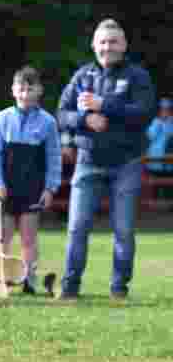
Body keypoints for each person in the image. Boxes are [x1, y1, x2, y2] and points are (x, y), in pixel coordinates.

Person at [56, 19, 155, 301]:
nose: (107, 47)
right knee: (77, 227)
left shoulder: (138, 77)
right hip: (87, 162)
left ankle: (118, 289)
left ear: (123, 46)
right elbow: (61, 114)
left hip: (127, 163)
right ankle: (70, 288)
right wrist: (85, 119)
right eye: (102, 42)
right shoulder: (81, 77)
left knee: (123, 230)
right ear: (94, 45)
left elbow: (144, 112)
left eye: (113, 42)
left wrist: (104, 105)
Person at [0, 66, 62, 295]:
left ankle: (29, 279)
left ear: (39, 91)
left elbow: (53, 157)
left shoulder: (48, 122)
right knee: (3, 236)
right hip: (5, 189)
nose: (25, 93)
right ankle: (0, 279)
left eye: (30, 89)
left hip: (32, 188)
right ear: (13, 90)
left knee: (29, 237)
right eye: (21, 88)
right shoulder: (2, 119)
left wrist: (50, 187)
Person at [145, 98, 173, 175]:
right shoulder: (155, 121)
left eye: (167, 109)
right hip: (155, 161)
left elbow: (170, 134)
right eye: (162, 109)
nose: (165, 112)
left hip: (169, 163)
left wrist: (168, 122)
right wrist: (159, 123)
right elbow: (150, 136)